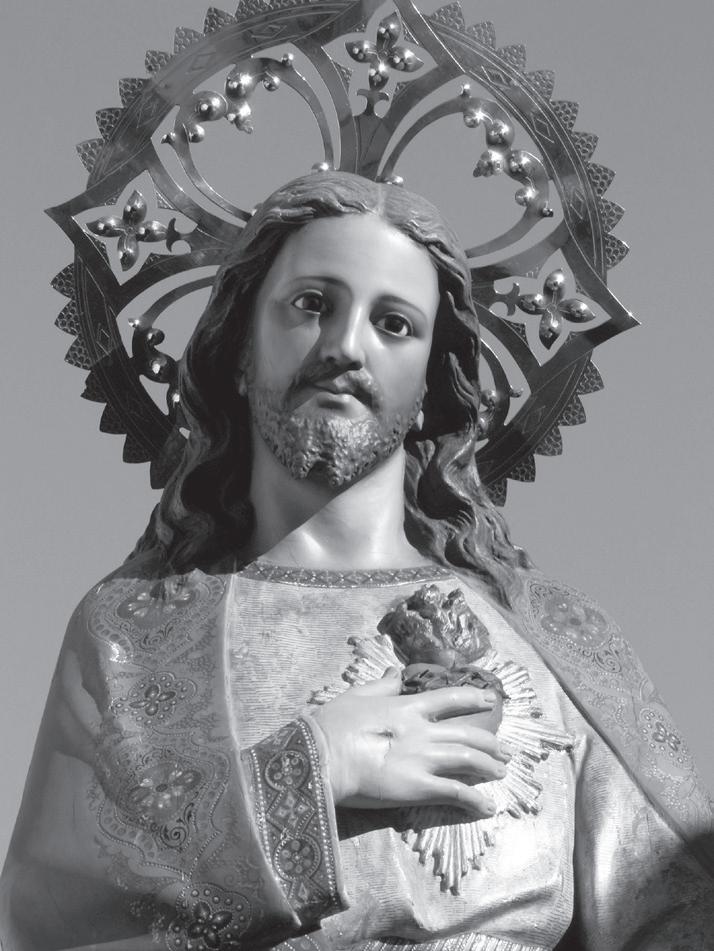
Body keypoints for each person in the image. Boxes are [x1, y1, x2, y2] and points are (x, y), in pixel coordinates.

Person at [1, 172, 712, 951]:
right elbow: (49, 920)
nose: (345, 347)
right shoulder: (135, 632)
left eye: (394, 323)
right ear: (240, 347)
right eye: (312, 304)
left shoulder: (558, 639)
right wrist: (314, 766)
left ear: (433, 381)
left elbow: (681, 909)